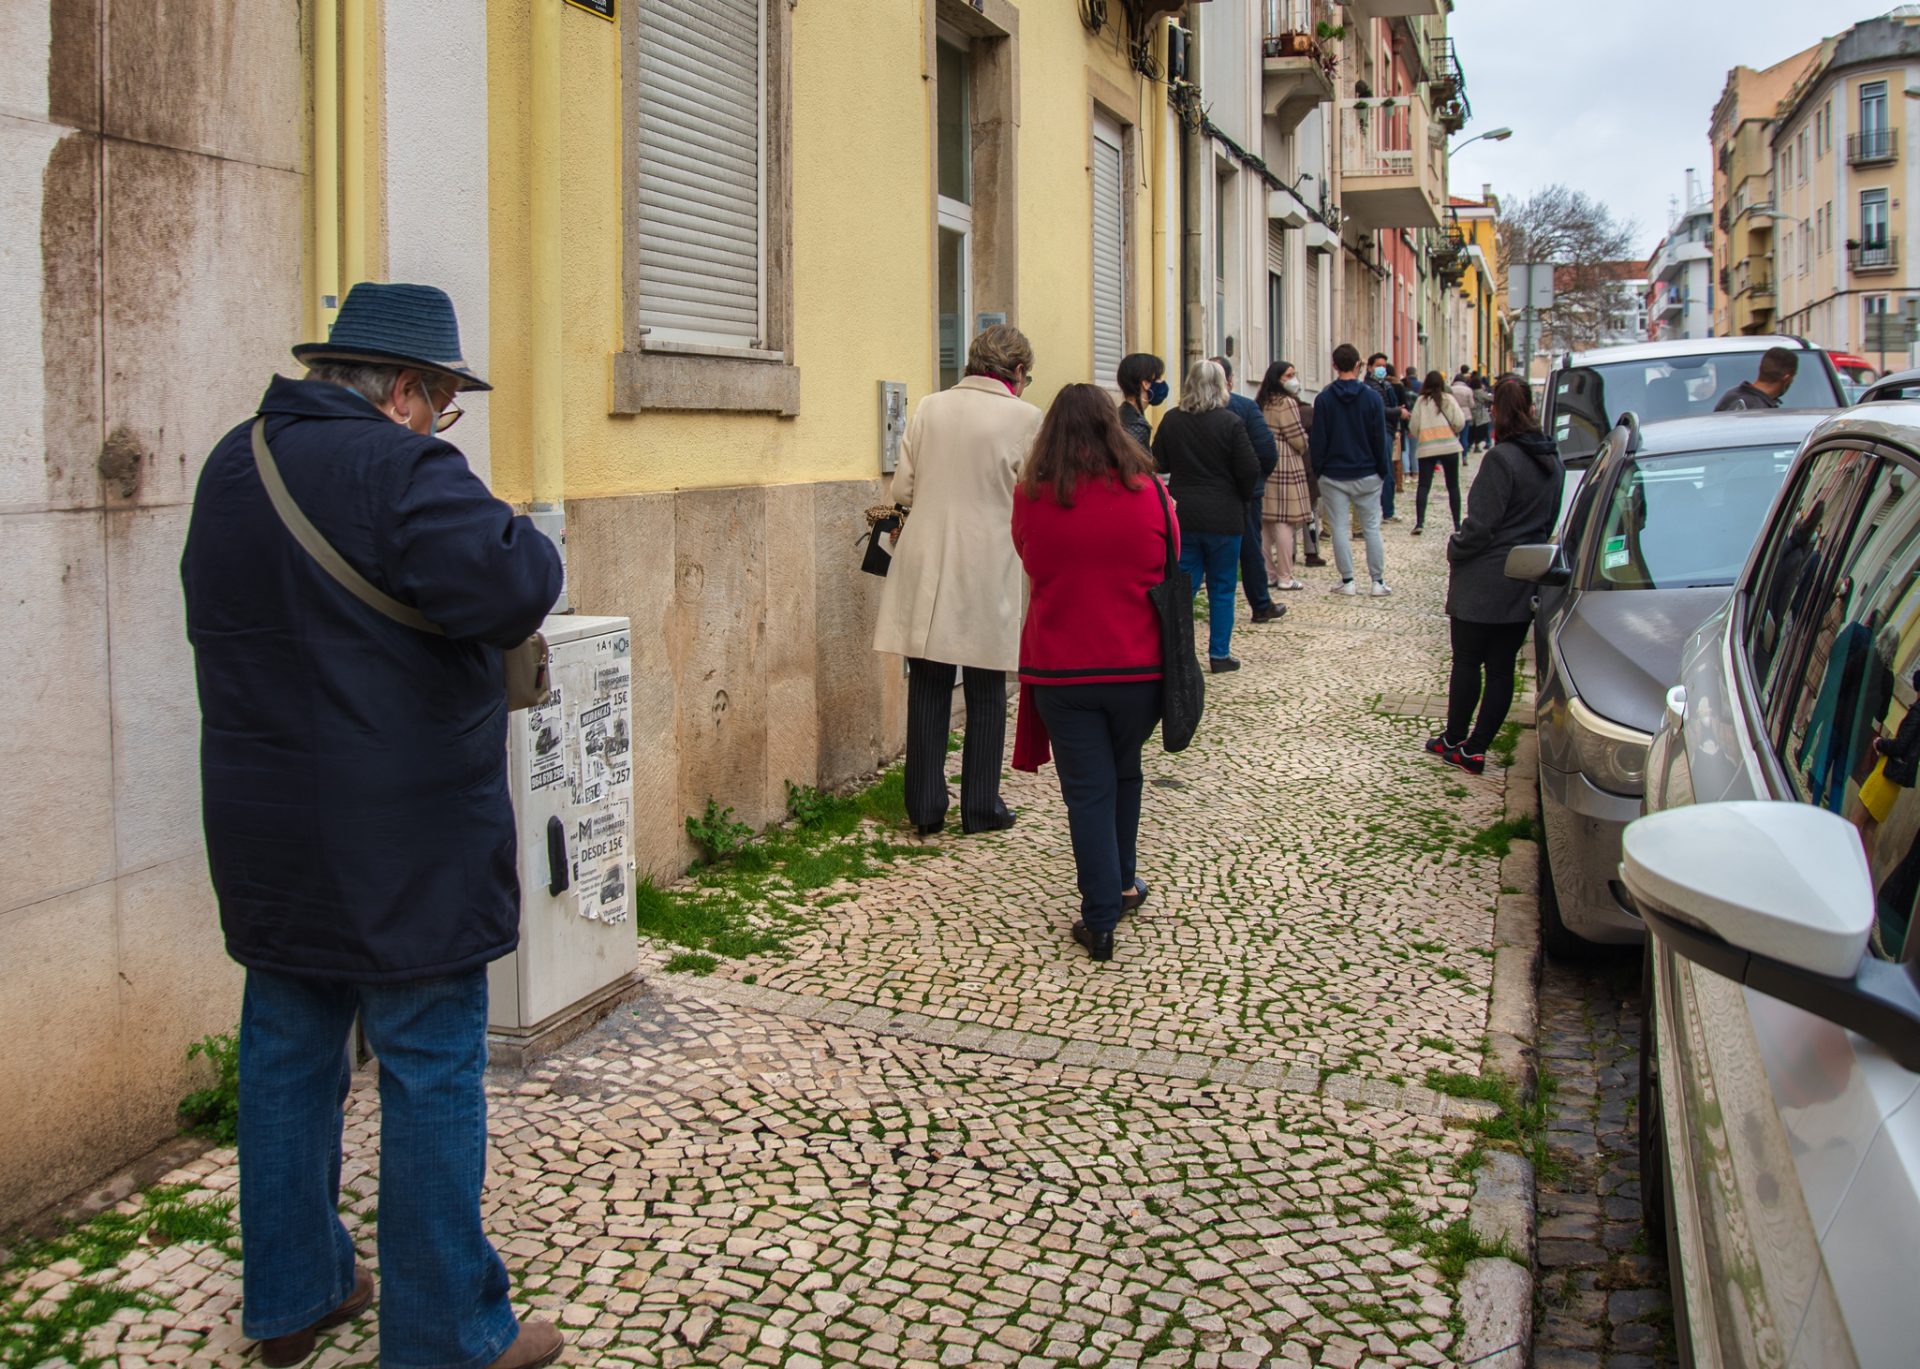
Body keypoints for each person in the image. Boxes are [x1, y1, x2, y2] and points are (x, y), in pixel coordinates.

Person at [181, 282, 567, 1369]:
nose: (445, 424)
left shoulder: (229, 463)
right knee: (429, 1062)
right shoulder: (403, 469)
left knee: (287, 1051)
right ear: (405, 391)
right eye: (443, 404)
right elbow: (518, 584)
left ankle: (291, 1295)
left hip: (264, 824)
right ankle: (447, 1332)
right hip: (406, 838)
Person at [1011, 385, 1169, 963]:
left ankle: (1100, 915)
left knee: (1088, 792)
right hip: (1139, 666)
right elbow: (1168, 560)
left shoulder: (1030, 495)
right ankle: (1123, 884)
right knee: (1125, 772)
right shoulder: (1150, 491)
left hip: (1064, 669)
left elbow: (1029, 558)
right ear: (1113, 428)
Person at [875, 323, 1041, 836]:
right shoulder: (1025, 417)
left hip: (927, 551)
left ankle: (925, 809)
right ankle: (980, 806)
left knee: (928, 680)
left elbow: (903, 486)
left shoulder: (929, 406)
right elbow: (1031, 493)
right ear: (1016, 371)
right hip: (988, 557)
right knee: (988, 685)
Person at [1429, 377, 1564, 775]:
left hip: (1485, 575)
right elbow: (1550, 517)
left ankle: (1456, 739)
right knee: (1502, 667)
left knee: (1468, 660)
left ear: (1499, 412)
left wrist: (1456, 547)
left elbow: (1481, 524)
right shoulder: (1552, 459)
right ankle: (1477, 746)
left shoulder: (1501, 459)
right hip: (1525, 573)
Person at [1151, 359, 1259, 671]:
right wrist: (1243, 494)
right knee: (1222, 587)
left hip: (1185, 513)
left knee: (1184, 586)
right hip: (1225, 514)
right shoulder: (1231, 422)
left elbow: (1159, 462)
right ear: (1222, 386)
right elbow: (1250, 467)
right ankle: (1219, 654)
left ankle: (1179, 653)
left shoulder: (1172, 420)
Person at [1310, 343, 1392, 597]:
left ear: (1334, 365)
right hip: (1367, 471)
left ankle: (1348, 581)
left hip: (1333, 473)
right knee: (1371, 527)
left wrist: (1319, 469)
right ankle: (1377, 582)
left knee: (1339, 528)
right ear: (1358, 365)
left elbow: (1318, 438)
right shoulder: (1372, 398)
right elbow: (1379, 437)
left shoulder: (1323, 399)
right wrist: (1382, 469)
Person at [1212, 355, 1286, 625]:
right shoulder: (1243, 407)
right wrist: (1253, 481)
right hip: (1242, 492)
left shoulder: (1185, 412)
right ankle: (1260, 603)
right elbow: (1267, 451)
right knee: (1249, 547)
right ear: (1229, 381)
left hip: (1208, 493)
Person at [1254, 360, 1314, 591]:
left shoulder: (1261, 402)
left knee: (1265, 524)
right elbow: (1298, 438)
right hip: (1286, 464)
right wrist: (1304, 443)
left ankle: (1269, 573)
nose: (1293, 379)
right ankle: (1285, 576)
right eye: (1289, 375)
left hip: (1265, 465)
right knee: (1284, 523)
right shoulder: (1287, 403)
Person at [1410, 370, 1467, 536]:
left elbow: (1414, 425)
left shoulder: (1421, 402)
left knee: (1423, 485)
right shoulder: (1448, 399)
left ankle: (1420, 522)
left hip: (1427, 446)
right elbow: (1459, 421)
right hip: (1449, 446)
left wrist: (1421, 435)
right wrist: (1453, 431)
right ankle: (1456, 523)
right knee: (1453, 485)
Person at [1364, 354, 1409, 523]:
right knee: (1385, 470)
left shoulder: (1385, 385)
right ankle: (1386, 511)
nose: (1381, 368)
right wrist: (1398, 411)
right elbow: (1381, 410)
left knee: (1387, 469)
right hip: (1381, 430)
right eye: (1378, 365)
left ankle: (1387, 509)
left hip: (1389, 429)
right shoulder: (1370, 387)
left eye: (1384, 365)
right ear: (1369, 367)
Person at [1715, 346, 1799, 411]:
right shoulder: (1761, 411)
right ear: (1786, 379)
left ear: (1761, 368)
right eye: (1793, 377)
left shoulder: (1730, 395)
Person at [1117, 351, 1167, 452]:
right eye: (1159, 378)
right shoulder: (1137, 426)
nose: (1162, 382)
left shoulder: (1117, 414)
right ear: (1145, 383)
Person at [1469, 374, 1494, 453]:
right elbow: (1489, 398)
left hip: (1471, 413)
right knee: (1483, 429)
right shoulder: (1480, 392)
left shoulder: (1469, 391)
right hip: (1481, 413)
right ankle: (1484, 443)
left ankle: (1469, 445)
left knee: (1472, 430)